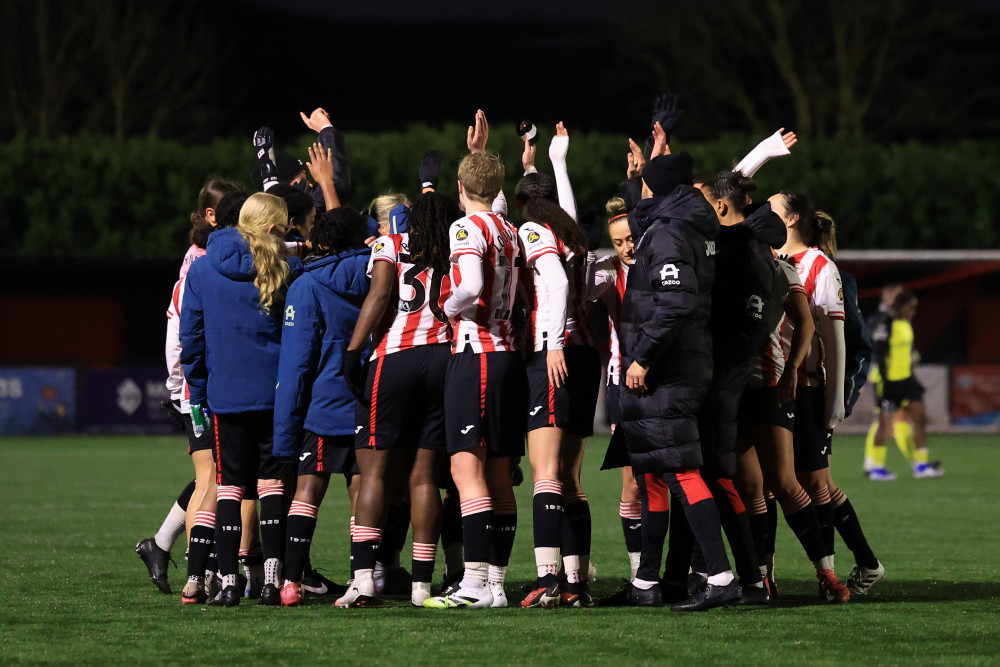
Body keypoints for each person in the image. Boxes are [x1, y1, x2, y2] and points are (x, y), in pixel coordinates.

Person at [618, 152, 740, 611]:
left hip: (668, 367)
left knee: (682, 471)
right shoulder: (682, 223)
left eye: (646, 185)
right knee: (654, 469)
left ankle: (721, 575)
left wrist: (643, 358)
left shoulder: (670, 232)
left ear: (662, 190)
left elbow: (674, 304)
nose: (641, 193)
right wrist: (640, 176)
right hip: (680, 361)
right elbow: (648, 210)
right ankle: (646, 582)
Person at [423, 110, 526, 609]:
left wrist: (445, 306)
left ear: (459, 188)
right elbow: (491, 195)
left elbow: (470, 285)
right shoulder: (509, 229)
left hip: (476, 355)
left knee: (467, 473)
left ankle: (474, 584)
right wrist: (482, 154)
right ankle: (496, 586)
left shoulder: (465, 227)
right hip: (507, 357)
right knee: (501, 474)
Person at [181, 191, 302, 607]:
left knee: (229, 487)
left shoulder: (201, 270)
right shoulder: (289, 269)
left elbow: (190, 343)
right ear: (272, 228)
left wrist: (199, 394)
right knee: (271, 487)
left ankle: (229, 584)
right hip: (275, 398)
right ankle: (270, 583)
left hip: (226, 397)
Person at [338, 192, 457, 608]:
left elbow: (378, 295)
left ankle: (364, 580)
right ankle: (422, 586)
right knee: (424, 476)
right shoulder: (456, 247)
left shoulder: (390, 244)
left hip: (395, 358)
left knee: (374, 470)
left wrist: (354, 351)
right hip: (444, 359)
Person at [772, 193, 884, 598]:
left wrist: (836, 401)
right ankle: (862, 565)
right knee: (806, 481)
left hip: (808, 388)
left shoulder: (822, 268)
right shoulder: (773, 257)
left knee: (814, 482)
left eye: (771, 207)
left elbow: (840, 341)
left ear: (793, 218)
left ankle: (834, 575)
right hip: (777, 384)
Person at [136, 178, 242, 595]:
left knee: (215, 476)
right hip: (202, 391)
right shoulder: (203, 262)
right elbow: (181, 330)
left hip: (201, 388)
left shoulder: (203, 257)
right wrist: (183, 389)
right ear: (213, 217)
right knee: (214, 480)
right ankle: (204, 572)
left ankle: (164, 546)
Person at [270, 206, 371, 607]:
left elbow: (295, 366)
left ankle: (291, 582)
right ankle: (363, 578)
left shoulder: (307, 286)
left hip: (323, 406)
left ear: (322, 242)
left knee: (308, 488)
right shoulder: (379, 274)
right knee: (362, 488)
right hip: (368, 402)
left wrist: (283, 439)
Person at [515, 167, 600, 608]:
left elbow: (558, 282)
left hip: (556, 354)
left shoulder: (533, 228)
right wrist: (550, 159)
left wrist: (549, 346)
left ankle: (545, 579)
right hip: (585, 355)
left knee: (544, 472)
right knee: (569, 477)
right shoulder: (572, 232)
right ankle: (574, 583)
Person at [589, 198, 642, 580]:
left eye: (631, 238)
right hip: (620, 383)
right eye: (618, 241)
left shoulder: (662, 265)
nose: (626, 247)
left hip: (665, 379)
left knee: (672, 477)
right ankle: (640, 569)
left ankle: (688, 567)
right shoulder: (606, 271)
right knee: (633, 481)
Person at [864, 289, 944, 479]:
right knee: (885, 424)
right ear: (901, 305)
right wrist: (885, 381)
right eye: (911, 307)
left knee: (919, 419)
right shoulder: (884, 322)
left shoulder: (906, 323)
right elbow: (879, 353)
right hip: (888, 381)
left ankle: (922, 465)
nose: (914, 312)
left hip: (907, 379)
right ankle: (875, 467)